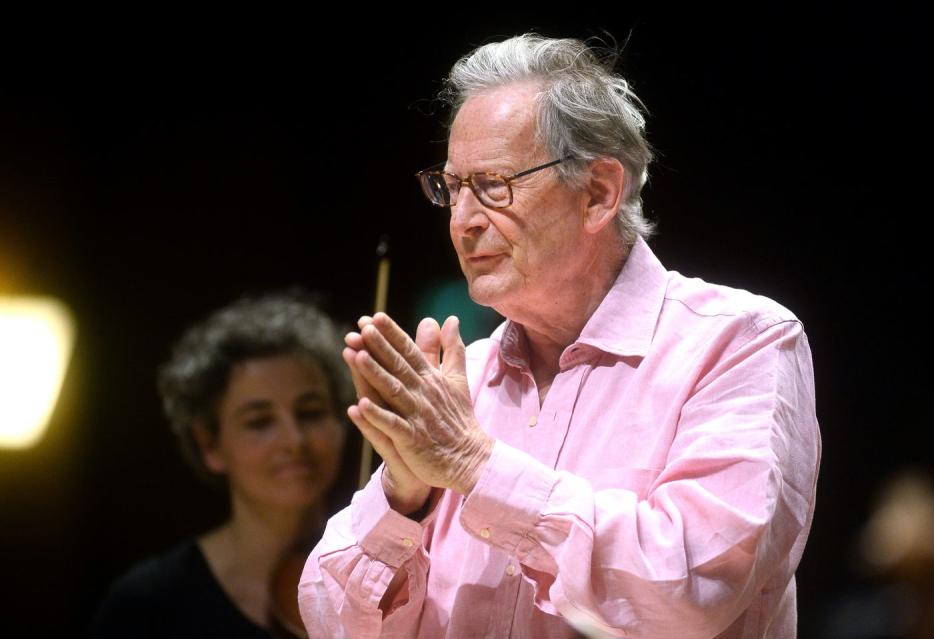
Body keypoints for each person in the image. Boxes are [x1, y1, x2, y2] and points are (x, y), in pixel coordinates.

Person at [298, 34, 821, 639]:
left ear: (599, 193)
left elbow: (694, 591)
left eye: (493, 184)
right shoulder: (457, 388)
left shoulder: (739, 342)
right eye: (450, 188)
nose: (462, 221)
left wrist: (474, 463)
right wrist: (405, 495)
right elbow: (330, 621)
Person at [93, 293, 350, 638]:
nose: (294, 440)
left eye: (311, 413)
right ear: (209, 445)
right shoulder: (148, 604)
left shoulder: (390, 581)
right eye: (259, 422)